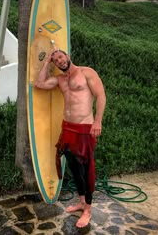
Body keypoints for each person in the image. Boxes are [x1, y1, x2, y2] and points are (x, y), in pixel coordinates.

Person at [35, 48, 106, 228]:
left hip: (84, 128)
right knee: (74, 168)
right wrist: (46, 63)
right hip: (67, 127)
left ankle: (88, 209)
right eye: (56, 60)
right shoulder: (59, 80)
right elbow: (39, 83)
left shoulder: (86, 72)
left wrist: (97, 121)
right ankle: (81, 202)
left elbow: (101, 95)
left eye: (60, 57)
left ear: (67, 56)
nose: (59, 61)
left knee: (86, 168)